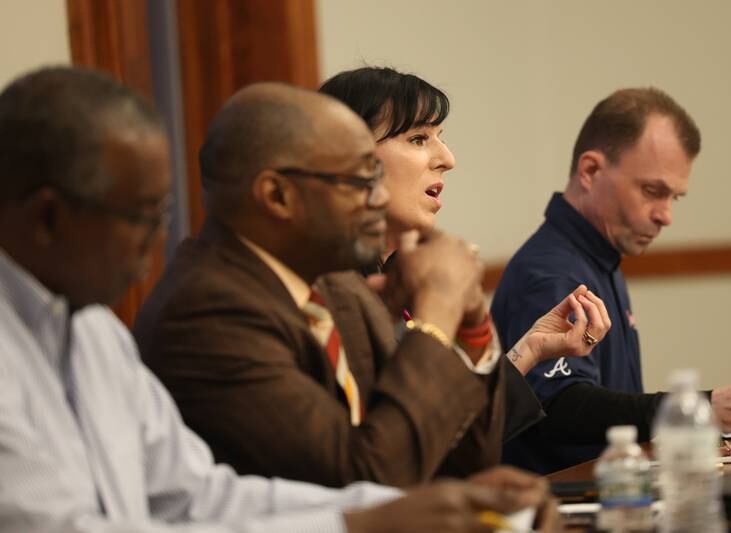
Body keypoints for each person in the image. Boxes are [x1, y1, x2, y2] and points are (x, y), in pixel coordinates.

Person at [0, 65, 563, 533]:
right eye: (139, 218)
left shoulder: (94, 332)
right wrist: (364, 519)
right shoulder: (206, 308)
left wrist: (404, 510)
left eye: (161, 215)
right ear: (49, 217)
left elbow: (197, 495)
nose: (153, 244)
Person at [134, 80, 529, 488]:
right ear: (278, 196)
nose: (377, 200)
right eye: (360, 182)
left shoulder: (338, 286)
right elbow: (363, 480)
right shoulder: (207, 313)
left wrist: (471, 322)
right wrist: (437, 312)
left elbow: (462, 462)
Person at [491, 87, 731, 473]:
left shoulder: (600, 257)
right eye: (652, 191)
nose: (665, 216)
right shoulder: (551, 271)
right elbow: (558, 406)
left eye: (674, 197)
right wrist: (698, 408)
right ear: (591, 171)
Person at [319, 67, 612, 444]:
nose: (447, 159)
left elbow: (457, 431)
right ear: (349, 158)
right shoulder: (327, 291)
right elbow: (401, 447)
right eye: (419, 138)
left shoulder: (397, 276)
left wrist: (531, 347)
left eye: (440, 138)